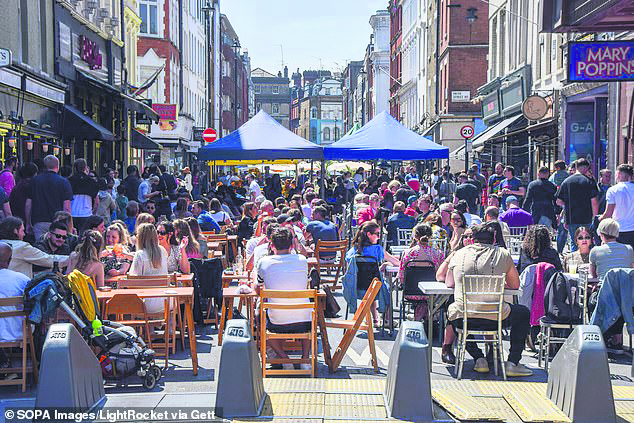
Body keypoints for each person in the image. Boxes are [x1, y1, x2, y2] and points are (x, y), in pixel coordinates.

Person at [444, 221, 532, 376]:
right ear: (494, 239)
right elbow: (515, 285)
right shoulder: (503, 254)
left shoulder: (459, 254)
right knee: (523, 313)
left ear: (473, 239)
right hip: (496, 318)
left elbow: (449, 282)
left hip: (465, 318)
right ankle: (512, 362)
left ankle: (478, 358)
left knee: (453, 309)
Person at [255, 226, 312, 370]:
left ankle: (284, 358)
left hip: (276, 321)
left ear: (272, 245)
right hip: (304, 321)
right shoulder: (302, 260)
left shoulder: (264, 262)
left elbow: (257, 288)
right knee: (309, 315)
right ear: (292, 245)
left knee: (259, 319)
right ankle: (305, 359)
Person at [346, 221, 400, 325]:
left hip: (356, 288)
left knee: (371, 285)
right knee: (382, 287)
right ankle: (387, 320)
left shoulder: (353, 251)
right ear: (369, 234)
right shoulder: (377, 249)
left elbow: (349, 269)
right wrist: (387, 263)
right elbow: (396, 263)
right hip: (376, 290)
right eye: (377, 234)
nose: (379, 237)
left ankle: (375, 319)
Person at [398, 223, 445, 321]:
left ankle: (419, 317)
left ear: (415, 236)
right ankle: (428, 317)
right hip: (431, 294)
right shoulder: (438, 254)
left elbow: (401, 276)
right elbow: (441, 276)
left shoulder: (407, 253)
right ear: (430, 236)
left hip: (410, 292)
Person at [0, 216, 68, 278]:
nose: (24, 234)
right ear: (15, 231)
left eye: (64, 237)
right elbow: (48, 260)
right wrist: (71, 258)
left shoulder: (2, 244)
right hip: (18, 286)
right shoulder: (22, 247)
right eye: (22, 231)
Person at [25, 155, 73, 240]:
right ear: (57, 166)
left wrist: (28, 222)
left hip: (39, 221)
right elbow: (67, 207)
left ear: (44, 166)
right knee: (57, 245)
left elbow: (28, 204)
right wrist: (69, 226)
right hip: (58, 222)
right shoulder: (64, 182)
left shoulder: (35, 181)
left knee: (40, 245)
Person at [556, 158, 599, 251]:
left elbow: (558, 201)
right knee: (587, 242)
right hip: (586, 218)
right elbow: (594, 202)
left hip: (572, 218)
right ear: (587, 168)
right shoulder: (589, 182)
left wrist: (568, 205)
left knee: (574, 242)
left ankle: (575, 259)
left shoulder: (566, 182)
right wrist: (595, 218)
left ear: (576, 167)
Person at [600, 164, 634, 250]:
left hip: (618, 230)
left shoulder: (612, 190)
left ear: (618, 174)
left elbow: (608, 213)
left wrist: (599, 219)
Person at [68, 159, 99, 231]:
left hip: (73, 213)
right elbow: (96, 202)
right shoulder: (92, 182)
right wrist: (93, 212)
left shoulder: (69, 181)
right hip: (87, 213)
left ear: (74, 168)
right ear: (85, 167)